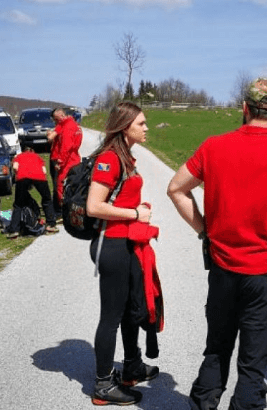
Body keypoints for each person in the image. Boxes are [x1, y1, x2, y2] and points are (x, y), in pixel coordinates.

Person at [167, 77, 267, 410]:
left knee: (216, 351)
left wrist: (204, 230)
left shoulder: (213, 146)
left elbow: (176, 189)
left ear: (244, 108)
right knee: (252, 368)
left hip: (222, 271)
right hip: (262, 274)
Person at [85, 102, 158, 406]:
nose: (146, 128)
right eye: (141, 123)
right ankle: (103, 385)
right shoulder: (110, 158)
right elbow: (94, 206)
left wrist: (135, 215)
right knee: (111, 316)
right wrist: (134, 214)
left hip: (128, 244)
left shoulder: (126, 157)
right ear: (125, 126)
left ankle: (132, 367)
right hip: (112, 245)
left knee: (132, 309)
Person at [6, 147, 58, 239]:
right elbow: (44, 171)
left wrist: (17, 175)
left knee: (18, 204)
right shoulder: (37, 156)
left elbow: (15, 167)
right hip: (39, 177)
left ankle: (14, 230)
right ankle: (51, 225)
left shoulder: (19, 156)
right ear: (32, 151)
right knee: (47, 199)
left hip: (22, 177)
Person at [48, 107, 83, 219]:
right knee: (71, 186)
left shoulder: (67, 127)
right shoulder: (74, 125)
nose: (55, 122)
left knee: (60, 187)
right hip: (74, 159)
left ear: (60, 116)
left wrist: (60, 162)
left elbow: (66, 147)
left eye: (56, 120)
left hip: (67, 162)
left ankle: (64, 213)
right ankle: (69, 211)